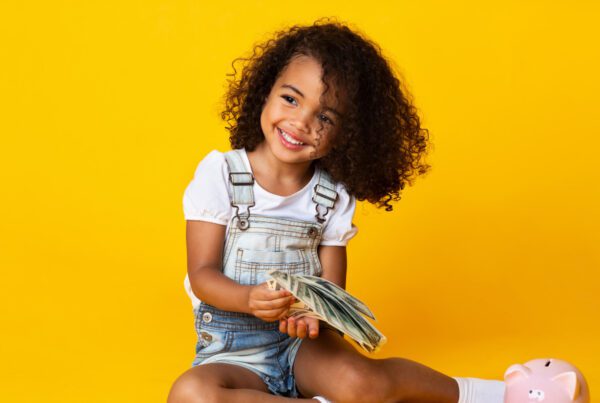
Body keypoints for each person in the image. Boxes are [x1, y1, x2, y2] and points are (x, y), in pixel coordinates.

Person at [168, 19, 505, 403]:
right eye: (291, 99)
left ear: (349, 135)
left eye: (325, 118)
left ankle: (496, 394)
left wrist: (317, 318)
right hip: (232, 354)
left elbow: (331, 295)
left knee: (361, 382)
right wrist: (248, 299)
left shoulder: (331, 195)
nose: (301, 123)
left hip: (304, 351)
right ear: (265, 92)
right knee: (190, 394)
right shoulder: (222, 175)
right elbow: (202, 275)